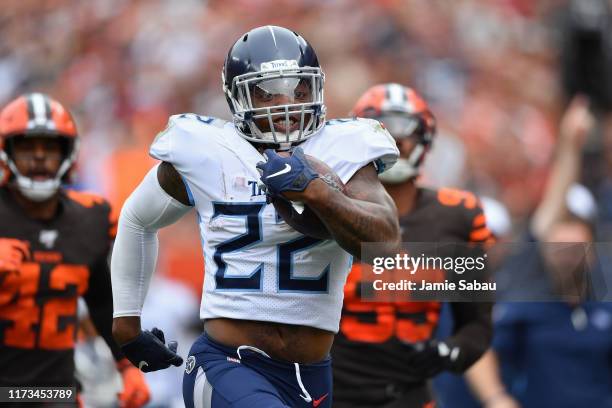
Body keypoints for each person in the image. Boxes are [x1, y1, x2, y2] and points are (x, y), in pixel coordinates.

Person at [110, 25, 401, 408]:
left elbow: (385, 245)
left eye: (299, 89)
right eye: (268, 93)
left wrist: (318, 192)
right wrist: (126, 326)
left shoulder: (343, 149)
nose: (287, 105)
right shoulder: (207, 150)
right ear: (237, 97)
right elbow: (136, 218)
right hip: (228, 363)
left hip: (312, 374)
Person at [332, 83, 493, 408]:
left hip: (409, 397)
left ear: (425, 138)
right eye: (383, 132)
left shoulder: (458, 215)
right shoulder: (328, 206)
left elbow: (477, 323)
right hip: (330, 395)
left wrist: (449, 352)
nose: (396, 142)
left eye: (406, 131)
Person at [0, 93, 150, 408]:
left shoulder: (90, 219)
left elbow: (99, 301)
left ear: (68, 152)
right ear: (7, 152)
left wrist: (127, 364)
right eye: (27, 146)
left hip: (54, 391)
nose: (39, 157)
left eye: (50, 146)